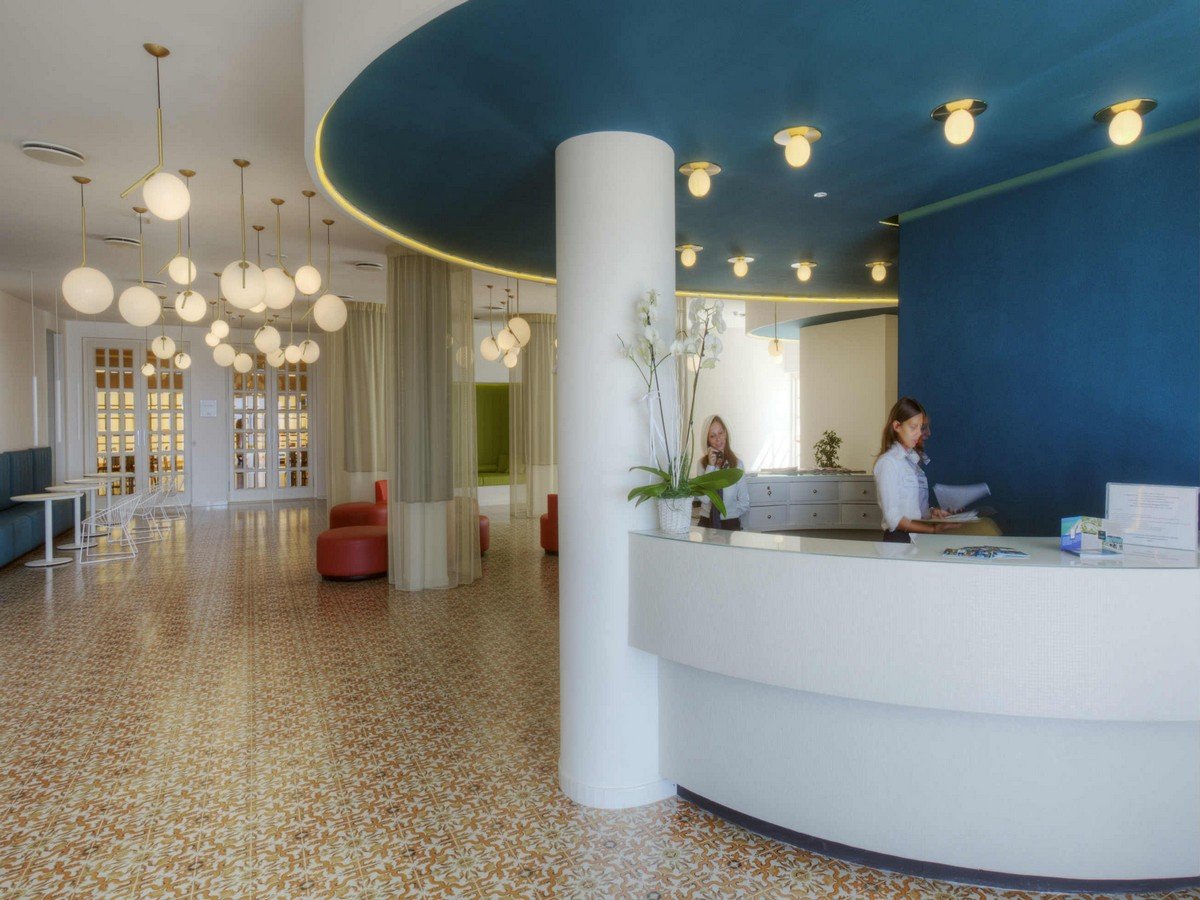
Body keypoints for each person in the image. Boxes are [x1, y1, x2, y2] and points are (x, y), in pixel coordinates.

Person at [873, 397, 957, 543]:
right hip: (899, 540)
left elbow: (913, 508)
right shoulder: (888, 463)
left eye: (920, 427)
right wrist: (933, 529)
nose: (919, 433)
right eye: (913, 427)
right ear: (897, 426)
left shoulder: (912, 462)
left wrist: (932, 513)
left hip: (916, 540)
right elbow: (893, 519)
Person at [696, 414, 750, 531]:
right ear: (708, 440)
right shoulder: (702, 464)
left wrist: (728, 515)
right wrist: (710, 466)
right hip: (706, 522)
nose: (718, 439)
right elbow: (704, 499)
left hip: (730, 523)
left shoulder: (737, 464)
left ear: (726, 433)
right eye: (712, 436)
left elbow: (744, 502)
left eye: (720, 433)